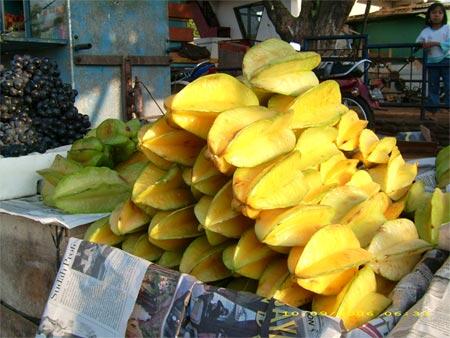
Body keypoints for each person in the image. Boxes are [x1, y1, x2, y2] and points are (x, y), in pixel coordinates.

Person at [416, 2, 450, 115]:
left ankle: (448, 106)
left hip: (446, 60)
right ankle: (433, 110)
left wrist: (435, 43)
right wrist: (423, 45)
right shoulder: (425, 31)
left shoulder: (447, 28)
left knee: (449, 84)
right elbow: (418, 43)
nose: (437, 15)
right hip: (431, 62)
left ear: (443, 15)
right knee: (432, 85)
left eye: (440, 12)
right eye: (434, 12)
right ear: (429, 15)